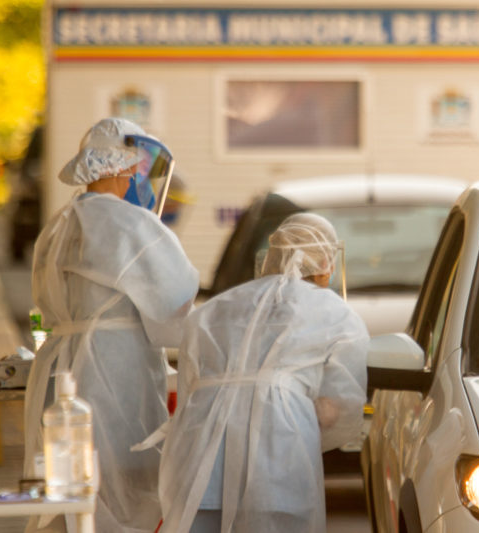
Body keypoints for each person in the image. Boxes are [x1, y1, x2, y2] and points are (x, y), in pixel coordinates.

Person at [22, 117, 199, 532]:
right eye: (135, 165)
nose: (138, 175)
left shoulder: (60, 224)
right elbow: (175, 306)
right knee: (120, 492)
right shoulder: (131, 223)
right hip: (116, 373)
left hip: (60, 372)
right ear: (120, 165)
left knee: (70, 489)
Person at [155, 212, 369, 533]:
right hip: (277, 464)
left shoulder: (214, 309)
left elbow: (189, 389)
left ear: (273, 256)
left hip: (199, 462)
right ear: (327, 262)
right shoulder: (337, 314)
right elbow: (337, 410)